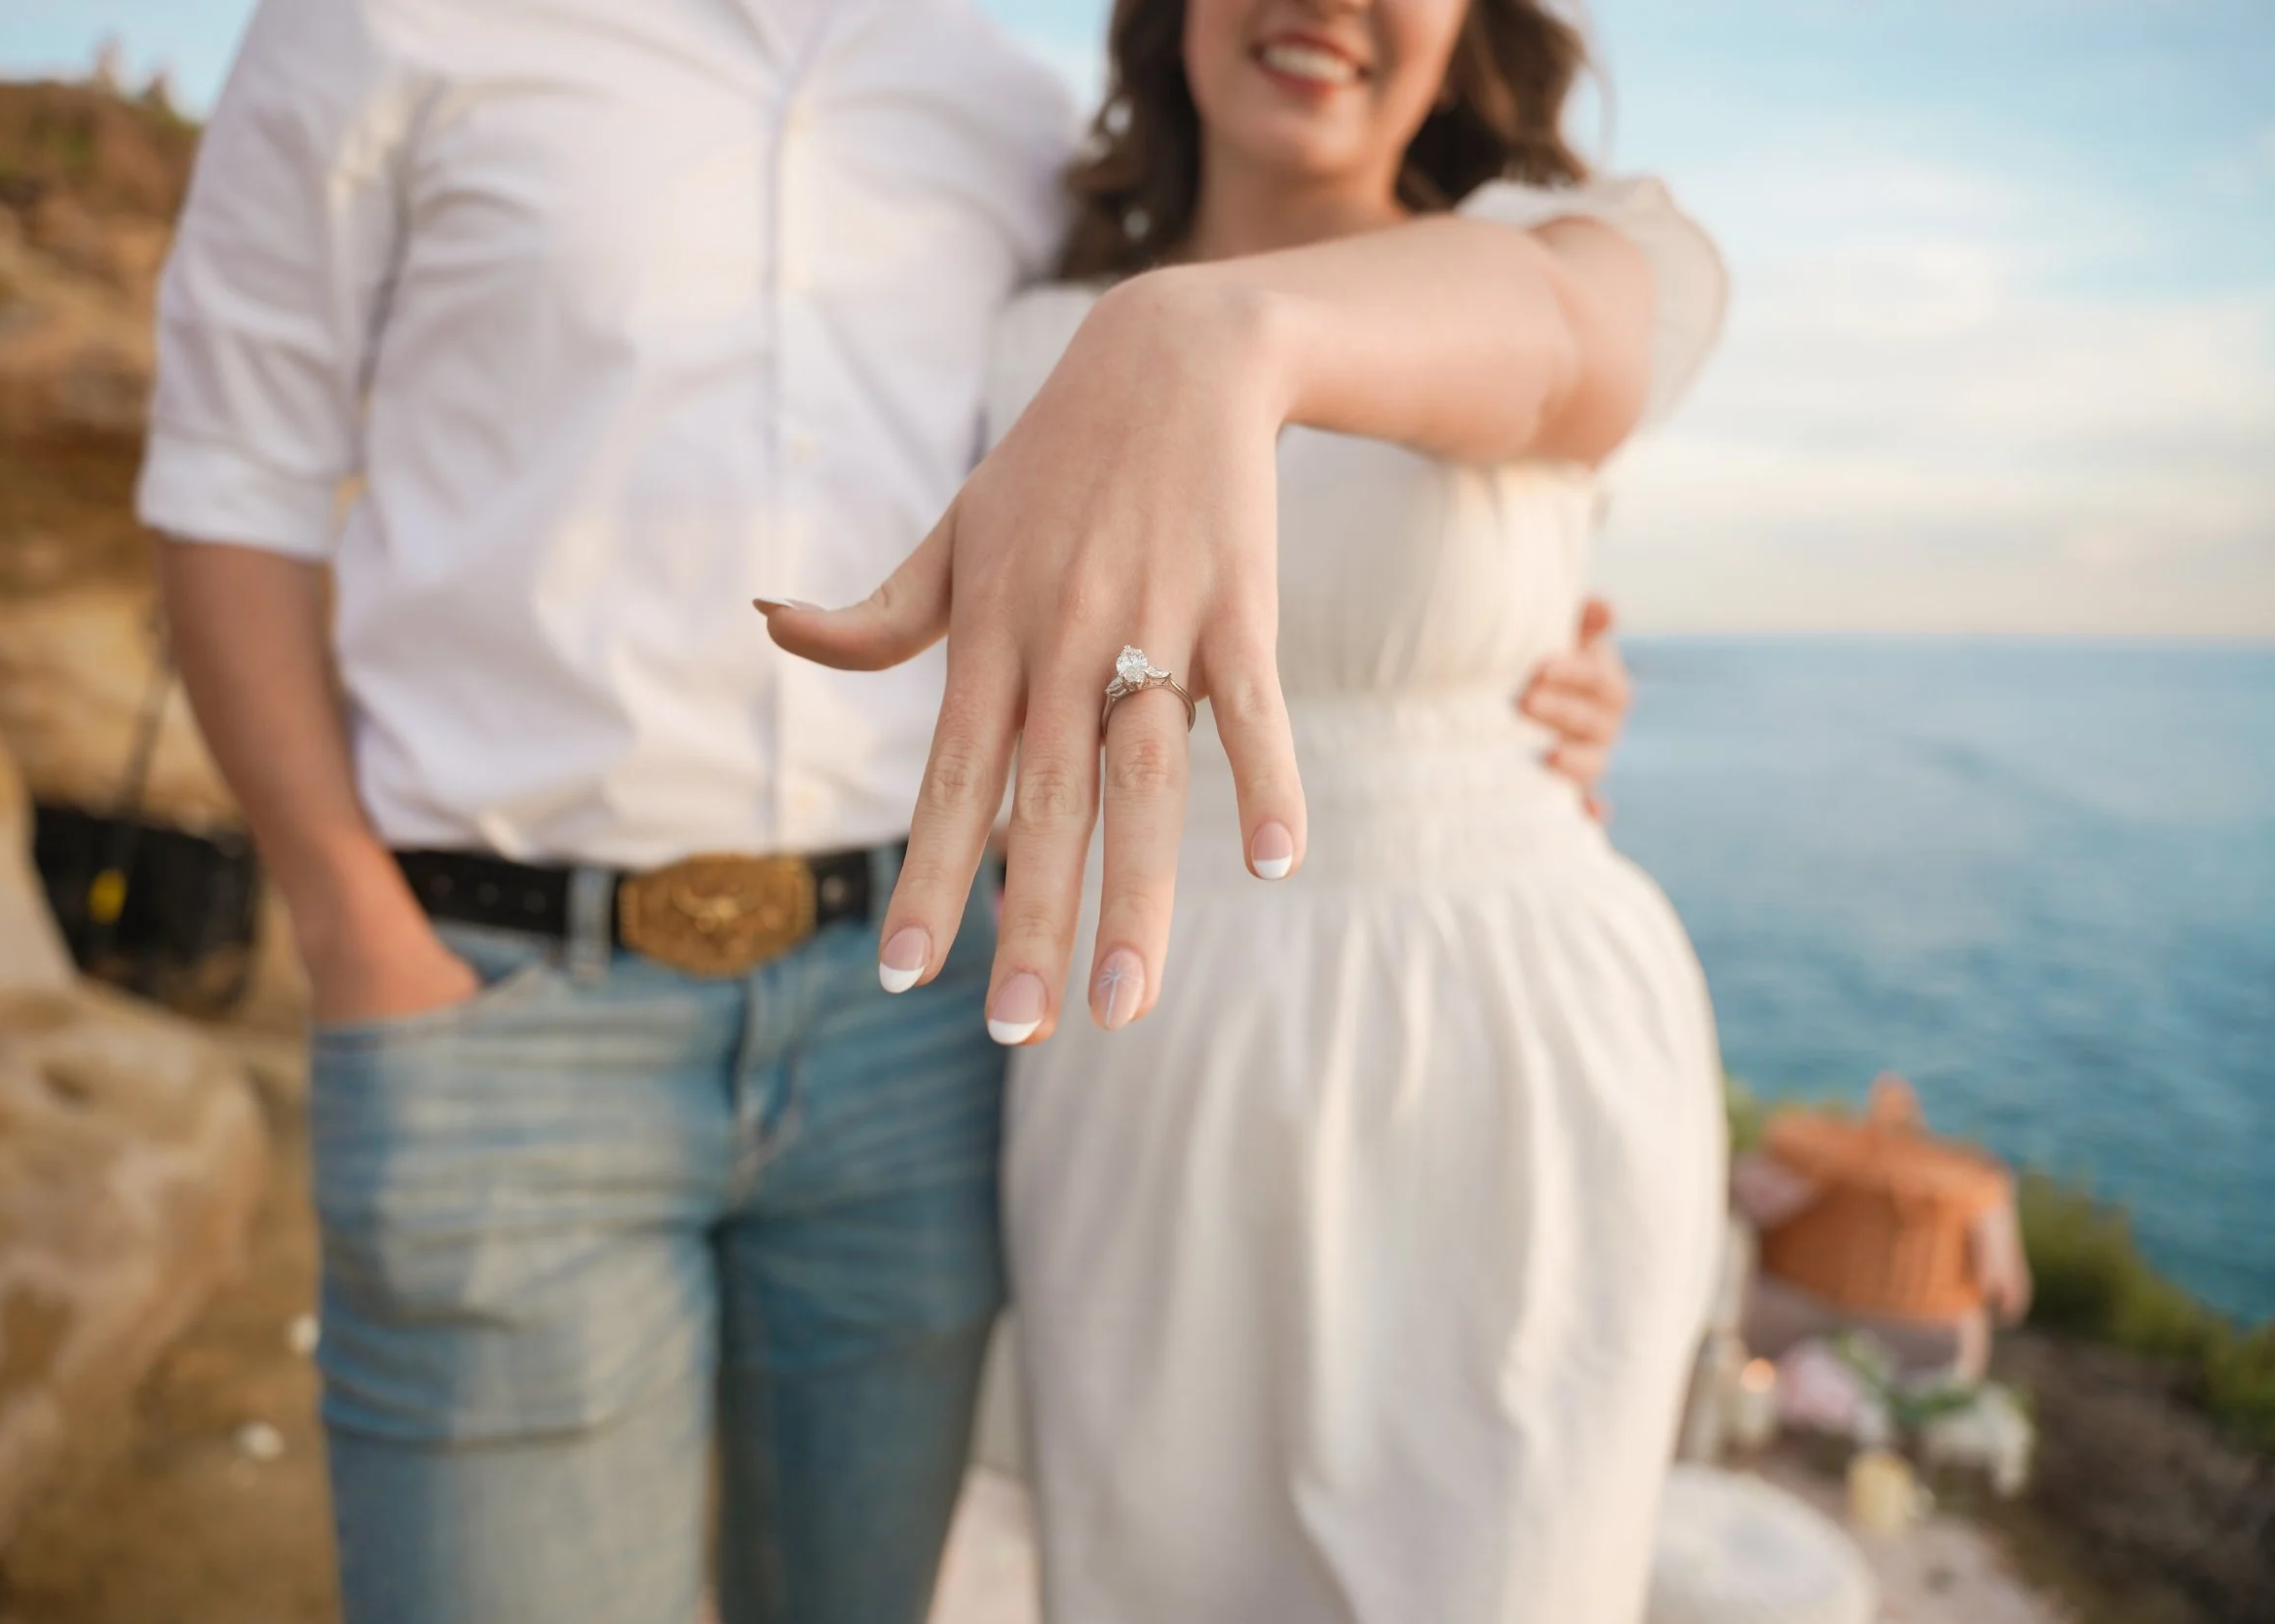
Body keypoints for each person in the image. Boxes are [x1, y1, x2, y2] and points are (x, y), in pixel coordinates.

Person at [142, 0, 1636, 1620]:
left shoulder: (1004, 114)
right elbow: (232, 476)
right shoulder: (381, 27)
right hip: (504, 1006)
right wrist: (353, 929)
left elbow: (1158, 483)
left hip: (912, 1032)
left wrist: (1495, 664)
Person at [764, 0, 1730, 1617]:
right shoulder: (1022, 334)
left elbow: (1566, 345)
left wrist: (1215, 327)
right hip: (1145, 1048)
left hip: (1501, 1046)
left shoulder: (1568, 248)